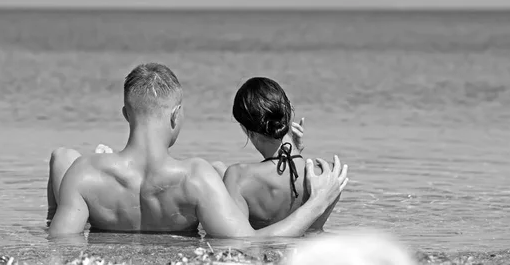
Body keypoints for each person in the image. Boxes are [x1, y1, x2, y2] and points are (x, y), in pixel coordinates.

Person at [47, 63, 348, 238]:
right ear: (176, 115)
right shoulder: (196, 178)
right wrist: (317, 202)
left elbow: (58, 246)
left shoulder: (84, 174)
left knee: (63, 158)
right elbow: (251, 244)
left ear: (126, 114)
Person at [222, 77, 340, 230]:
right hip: (310, 253)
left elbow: (237, 242)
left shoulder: (238, 177)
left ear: (244, 128)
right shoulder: (327, 178)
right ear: (289, 112)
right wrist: (297, 151)